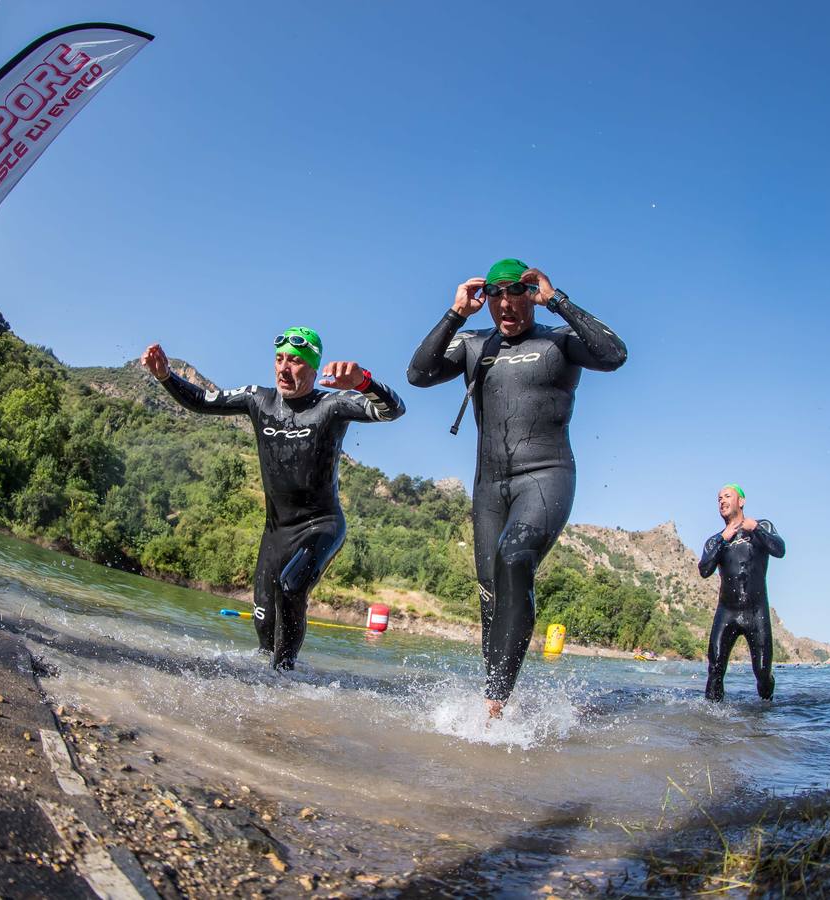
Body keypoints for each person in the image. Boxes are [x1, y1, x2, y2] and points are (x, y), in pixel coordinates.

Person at [407, 258, 628, 717]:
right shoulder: (473, 345)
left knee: (515, 558)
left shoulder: (558, 340)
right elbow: (419, 374)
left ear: (530, 295)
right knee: (490, 594)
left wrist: (558, 300)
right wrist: (455, 315)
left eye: (516, 294)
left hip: (545, 475)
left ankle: (493, 703)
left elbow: (613, 354)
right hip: (489, 487)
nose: (506, 305)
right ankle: (499, 698)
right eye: (496, 296)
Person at [141, 328, 405, 670]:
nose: (284, 368)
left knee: (292, 586)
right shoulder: (259, 400)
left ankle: (285, 677)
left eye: (295, 361)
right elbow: (202, 401)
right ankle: (273, 688)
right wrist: (165, 376)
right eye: (279, 359)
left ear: (313, 368)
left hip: (320, 525)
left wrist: (364, 382)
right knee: (265, 626)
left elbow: (393, 411)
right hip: (276, 533)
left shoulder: (332, 405)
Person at [697, 484, 786, 701]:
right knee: (715, 670)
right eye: (719, 498)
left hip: (757, 612)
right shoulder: (715, 540)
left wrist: (756, 528)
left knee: (763, 673)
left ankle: (764, 715)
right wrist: (722, 540)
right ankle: (712, 722)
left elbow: (780, 550)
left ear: (741, 501)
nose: (722, 501)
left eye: (727, 496)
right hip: (727, 612)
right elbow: (704, 570)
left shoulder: (761, 527)